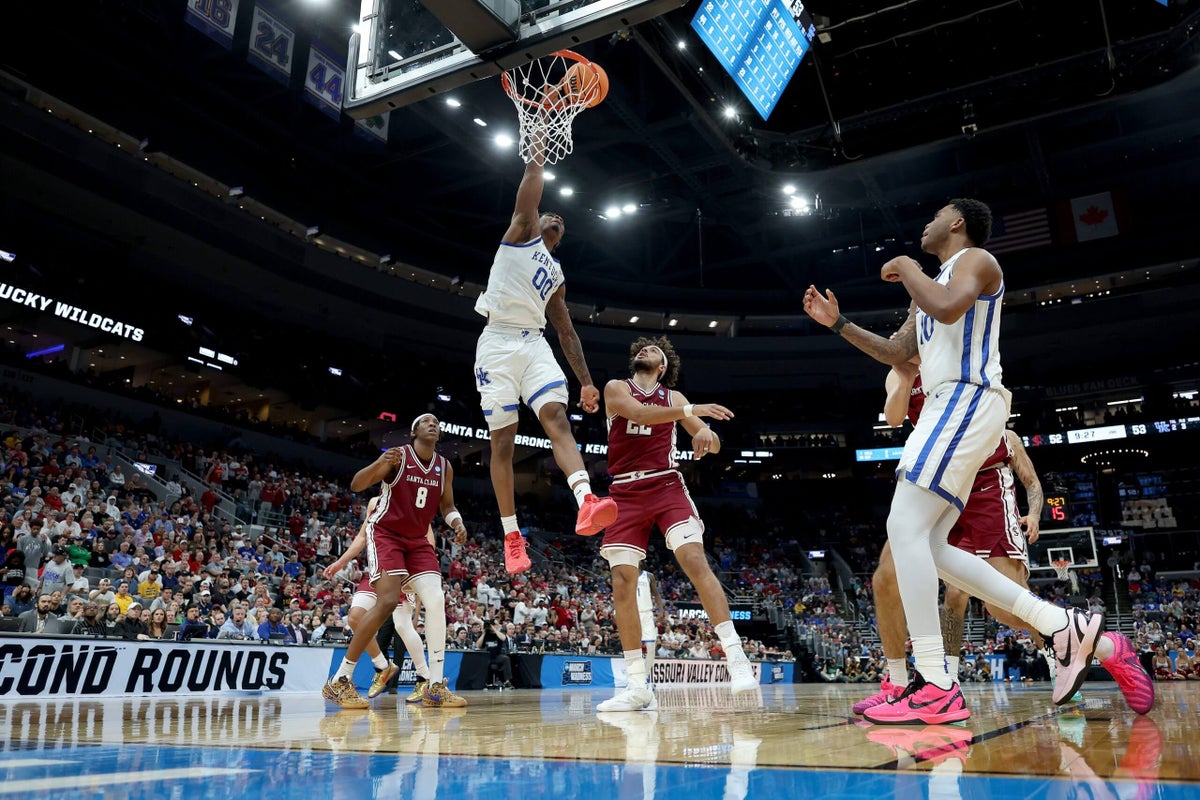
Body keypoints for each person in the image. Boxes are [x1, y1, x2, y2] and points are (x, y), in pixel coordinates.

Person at [803, 199, 1106, 723]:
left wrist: (908, 266)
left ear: (957, 224)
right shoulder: (932, 286)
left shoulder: (976, 261)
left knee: (903, 528)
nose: (925, 224)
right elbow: (898, 352)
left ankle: (938, 684)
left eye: (934, 216)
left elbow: (948, 306)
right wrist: (839, 324)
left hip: (967, 396)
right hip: (950, 403)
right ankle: (1058, 624)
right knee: (929, 545)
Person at [855, 359, 1154, 715]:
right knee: (888, 579)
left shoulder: (962, 361)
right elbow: (892, 416)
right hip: (936, 474)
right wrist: (899, 372)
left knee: (1001, 605)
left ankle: (1102, 647)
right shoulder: (903, 365)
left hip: (984, 491)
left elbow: (1031, 481)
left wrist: (1033, 513)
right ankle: (905, 682)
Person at [472, 151, 617, 573]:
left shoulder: (555, 275)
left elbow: (567, 331)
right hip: (496, 342)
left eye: (561, 221)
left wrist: (587, 382)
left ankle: (586, 500)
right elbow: (533, 180)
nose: (554, 218)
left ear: (561, 237)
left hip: (534, 344)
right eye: (548, 214)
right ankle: (512, 536)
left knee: (557, 417)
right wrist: (538, 153)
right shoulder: (521, 231)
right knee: (504, 442)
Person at [595, 337, 755, 712]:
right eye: (641, 349)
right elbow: (640, 414)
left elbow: (711, 444)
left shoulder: (674, 397)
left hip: (665, 484)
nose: (644, 352)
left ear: (663, 366)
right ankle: (637, 685)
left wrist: (706, 433)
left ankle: (736, 657)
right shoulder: (617, 388)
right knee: (622, 582)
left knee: (694, 560)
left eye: (653, 351)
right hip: (624, 492)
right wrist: (691, 410)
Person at [322, 413, 468, 710]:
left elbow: (447, 506)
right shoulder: (398, 457)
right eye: (427, 421)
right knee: (387, 602)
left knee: (437, 600)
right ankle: (341, 680)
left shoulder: (444, 467)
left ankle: (435, 687)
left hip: (417, 542)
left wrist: (457, 523)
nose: (433, 425)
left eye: (437, 423)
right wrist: (379, 464)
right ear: (414, 431)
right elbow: (356, 484)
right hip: (386, 534)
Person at [322, 497, 438, 701]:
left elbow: (428, 542)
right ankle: (383, 666)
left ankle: (425, 678)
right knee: (355, 617)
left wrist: (415, 576)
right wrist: (340, 562)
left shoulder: (414, 501)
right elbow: (362, 537)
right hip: (378, 568)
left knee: (402, 626)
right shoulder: (375, 503)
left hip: (403, 571)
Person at [636, 569, 666, 688]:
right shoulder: (628, 572)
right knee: (634, 648)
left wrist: (661, 610)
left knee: (651, 647)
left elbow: (656, 594)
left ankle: (645, 677)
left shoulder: (649, 575)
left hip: (647, 614)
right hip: (633, 613)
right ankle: (635, 678)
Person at [477, 620, 514, 688]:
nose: (493, 626)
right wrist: (484, 633)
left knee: (506, 659)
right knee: (481, 661)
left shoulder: (498, 634)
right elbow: (478, 645)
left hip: (496, 656)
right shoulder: (483, 634)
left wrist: (494, 629)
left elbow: (503, 638)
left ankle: (507, 681)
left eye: (495, 624)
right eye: (493, 625)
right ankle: (485, 682)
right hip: (486, 657)